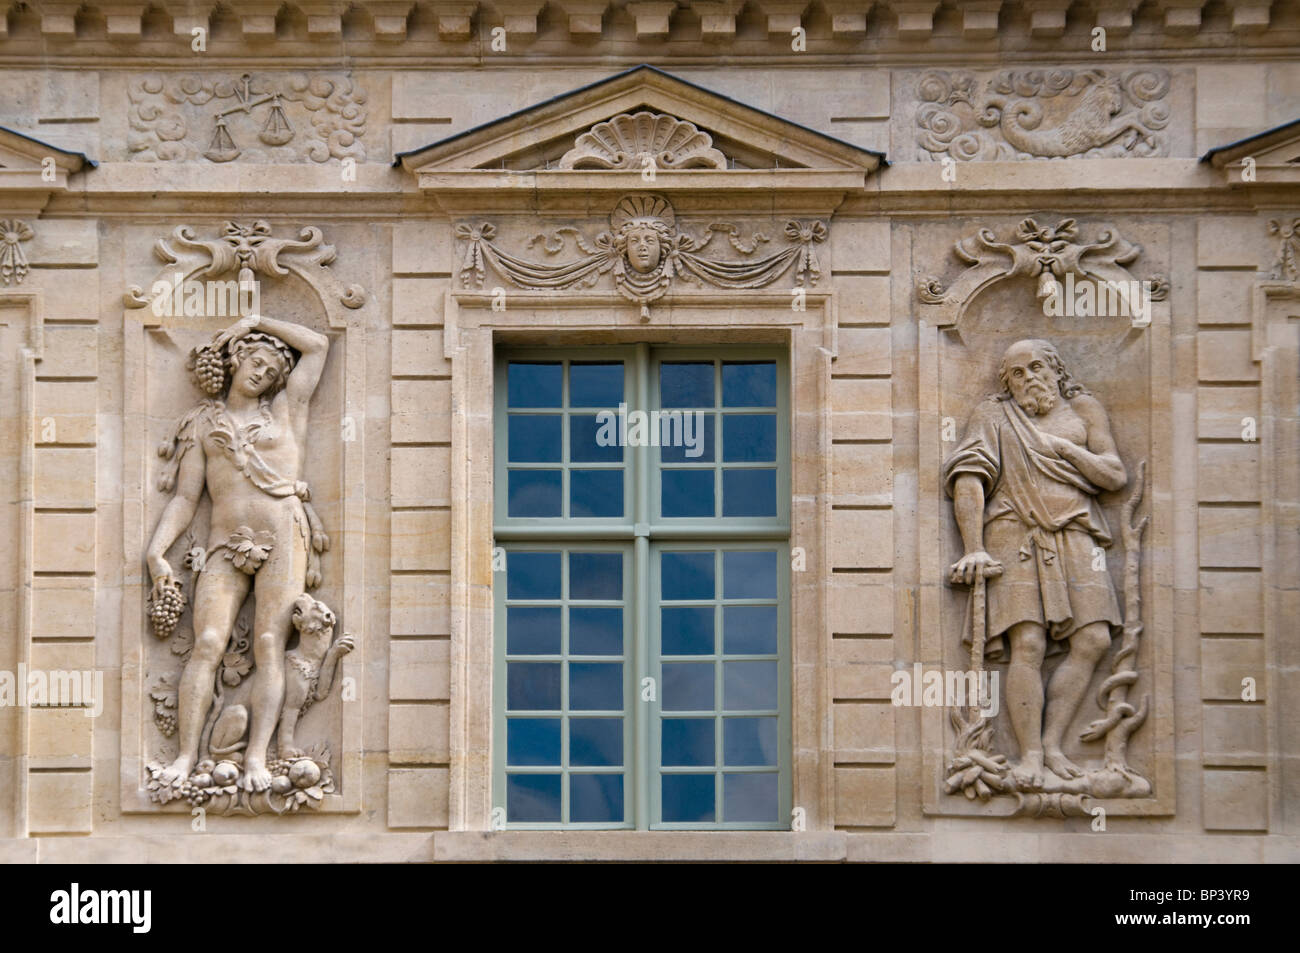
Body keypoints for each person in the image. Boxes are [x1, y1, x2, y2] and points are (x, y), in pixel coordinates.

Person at [147, 314, 329, 792]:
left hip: (284, 535)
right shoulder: (204, 424)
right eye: (255, 362)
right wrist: (156, 552)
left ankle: (255, 759)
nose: (262, 374)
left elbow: (317, 345)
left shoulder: (288, 411)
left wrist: (256, 320)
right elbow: (186, 499)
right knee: (207, 643)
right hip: (225, 543)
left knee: (271, 644)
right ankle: (186, 757)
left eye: (271, 371)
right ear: (236, 361)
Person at [943, 339, 1126, 788]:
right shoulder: (993, 414)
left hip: (1079, 532)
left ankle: (1054, 744)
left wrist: (1066, 451)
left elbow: (1115, 475)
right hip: (1012, 532)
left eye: (1035, 367)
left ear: (1056, 370)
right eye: (1016, 373)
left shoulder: (1084, 410)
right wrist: (973, 547)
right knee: (1028, 644)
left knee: (1094, 639)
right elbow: (969, 475)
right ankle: (1028, 755)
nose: (1028, 378)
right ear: (1007, 383)